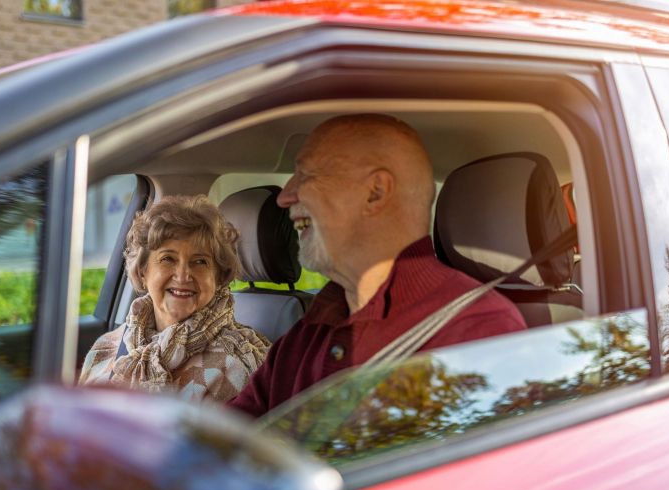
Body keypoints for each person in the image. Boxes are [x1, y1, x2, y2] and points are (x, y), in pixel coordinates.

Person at [229, 114, 526, 417]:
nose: (284, 197)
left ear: (376, 192)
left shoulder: (479, 330)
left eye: (305, 174)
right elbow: (228, 442)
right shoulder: (308, 331)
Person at [80, 195, 270, 402]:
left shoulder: (235, 364)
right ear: (143, 271)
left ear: (217, 277)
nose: (183, 275)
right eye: (168, 259)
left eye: (199, 261)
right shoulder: (107, 346)